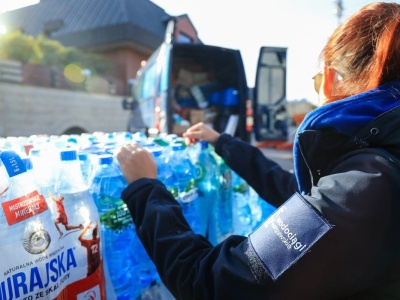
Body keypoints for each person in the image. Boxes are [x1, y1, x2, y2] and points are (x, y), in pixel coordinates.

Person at [115, 3, 400, 299]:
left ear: (330, 79)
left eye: (316, 80)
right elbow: (295, 192)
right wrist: (224, 143)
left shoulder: (368, 187)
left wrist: (145, 188)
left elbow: (208, 283)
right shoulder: (376, 166)